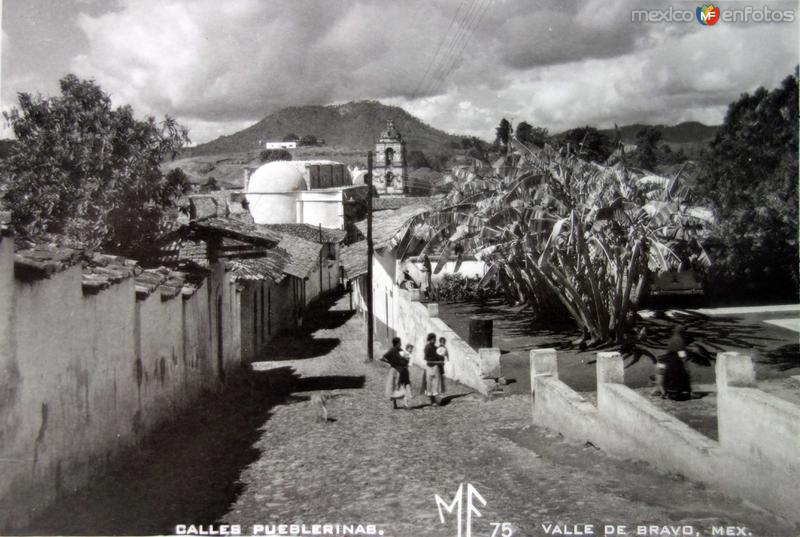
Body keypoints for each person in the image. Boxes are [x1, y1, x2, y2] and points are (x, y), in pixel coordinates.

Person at [652, 325, 692, 401]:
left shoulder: (673, 338)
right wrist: (685, 363)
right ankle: (679, 392)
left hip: (670, 360)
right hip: (677, 361)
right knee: (679, 376)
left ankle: (669, 392)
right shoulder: (679, 339)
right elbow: (681, 352)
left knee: (670, 376)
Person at [381, 337, 412, 409]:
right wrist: (390, 362)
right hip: (394, 370)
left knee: (401, 385)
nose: (401, 344)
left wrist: (406, 360)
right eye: (400, 342)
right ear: (397, 343)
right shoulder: (392, 350)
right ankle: (395, 403)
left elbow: (405, 359)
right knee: (394, 386)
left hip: (401, 370)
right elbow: (383, 357)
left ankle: (405, 403)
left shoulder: (401, 350)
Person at [422, 332, 444, 406]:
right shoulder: (427, 347)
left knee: (435, 383)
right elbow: (427, 360)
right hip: (429, 367)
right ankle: (432, 401)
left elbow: (439, 356)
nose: (434, 341)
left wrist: (441, 359)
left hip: (435, 368)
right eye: (433, 339)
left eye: (435, 339)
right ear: (429, 339)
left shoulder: (436, 348)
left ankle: (434, 400)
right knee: (429, 384)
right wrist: (438, 362)